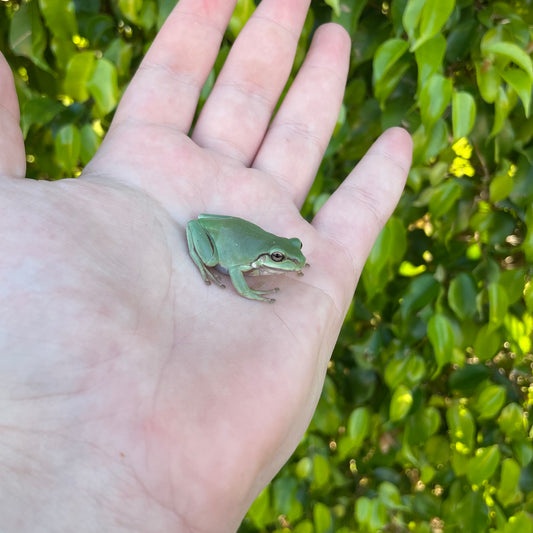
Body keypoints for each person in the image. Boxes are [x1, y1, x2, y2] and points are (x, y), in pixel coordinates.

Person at [0, 0, 412, 531]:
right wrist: (249, 289)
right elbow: (240, 271)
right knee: (220, 263)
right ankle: (204, 265)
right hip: (212, 236)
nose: (288, 264)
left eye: (287, 258)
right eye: (283, 261)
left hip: (226, 225)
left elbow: (272, 250)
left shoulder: (278, 251)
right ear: (271, 258)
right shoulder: (252, 265)